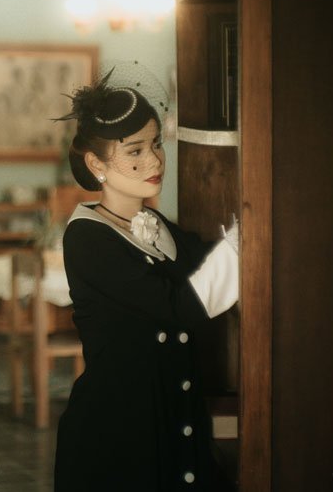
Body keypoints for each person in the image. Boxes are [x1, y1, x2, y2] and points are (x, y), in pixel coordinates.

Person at [53, 69, 238, 491]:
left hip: (173, 422)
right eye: (135, 150)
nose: (154, 160)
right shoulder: (87, 237)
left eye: (156, 144)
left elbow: (209, 260)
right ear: (96, 164)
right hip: (118, 436)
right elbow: (179, 307)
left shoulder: (154, 223)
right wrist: (245, 238)